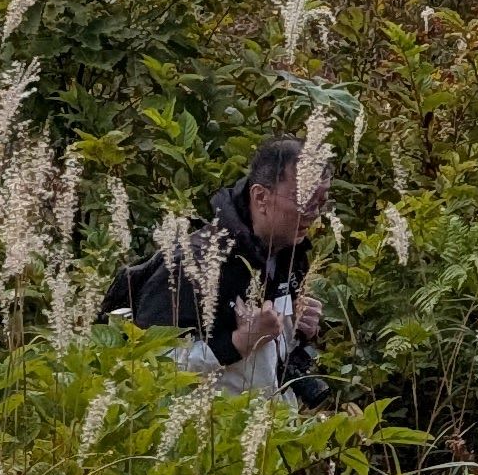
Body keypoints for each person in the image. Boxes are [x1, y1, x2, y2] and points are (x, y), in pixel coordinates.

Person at [108, 130, 331, 400]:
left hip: (269, 429)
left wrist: (297, 330)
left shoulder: (289, 254)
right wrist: (237, 343)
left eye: (320, 202)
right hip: (210, 431)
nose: (314, 214)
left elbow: (270, 357)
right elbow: (146, 363)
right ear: (260, 197)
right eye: (304, 200)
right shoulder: (196, 264)